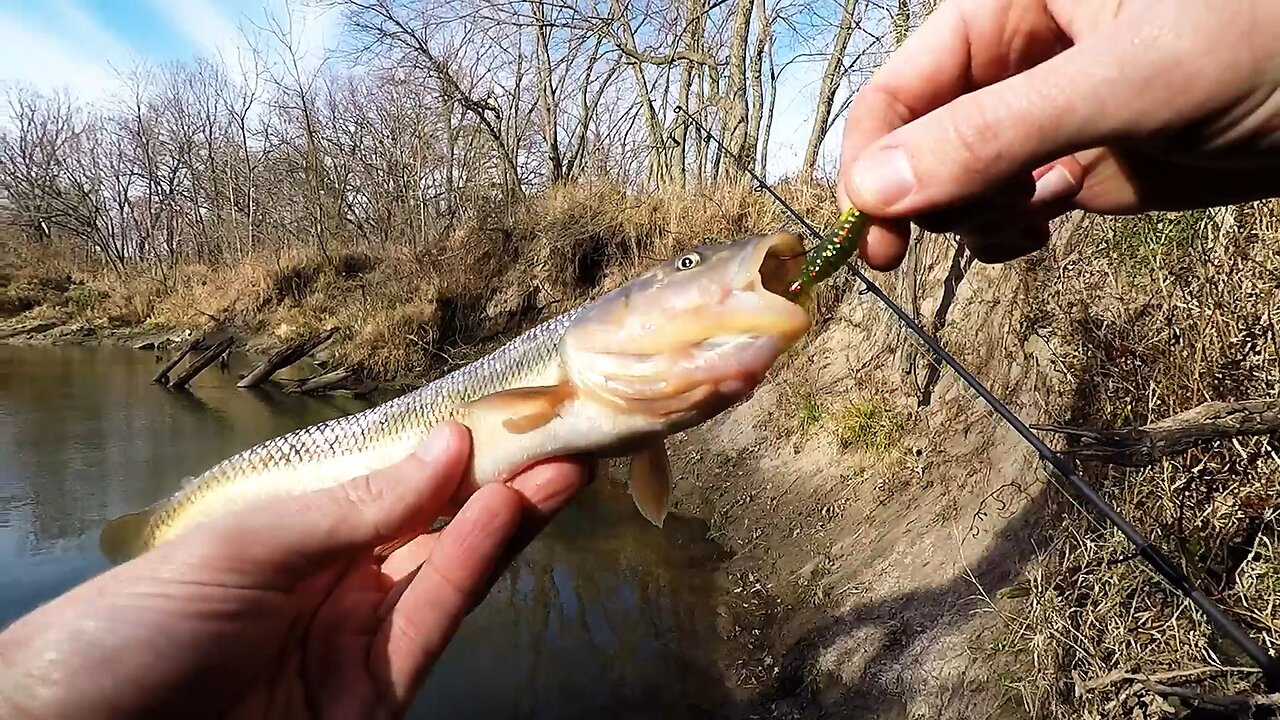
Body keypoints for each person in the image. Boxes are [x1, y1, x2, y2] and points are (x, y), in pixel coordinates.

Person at [1, 0, 1278, 717]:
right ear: (597, 332)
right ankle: (163, 531)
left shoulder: (620, 395)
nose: (722, 283)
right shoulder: (559, 375)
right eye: (685, 283)